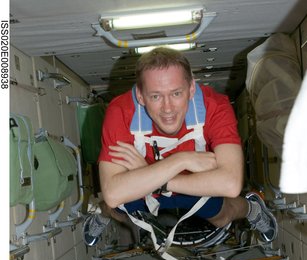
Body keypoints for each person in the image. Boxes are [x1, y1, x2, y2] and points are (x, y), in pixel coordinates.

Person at [83, 47, 277, 247]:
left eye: (176, 93)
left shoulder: (215, 106)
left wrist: (153, 176)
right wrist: (182, 159)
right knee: (114, 206)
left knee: (222, 215)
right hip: (142, 186)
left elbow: (231, 184)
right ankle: (102, 214)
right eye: (155, 96)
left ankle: (253, 209)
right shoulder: (121, 111)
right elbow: (114, 193)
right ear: (141, 96)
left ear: (191, 89)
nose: (168, 108)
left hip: (190, 184)